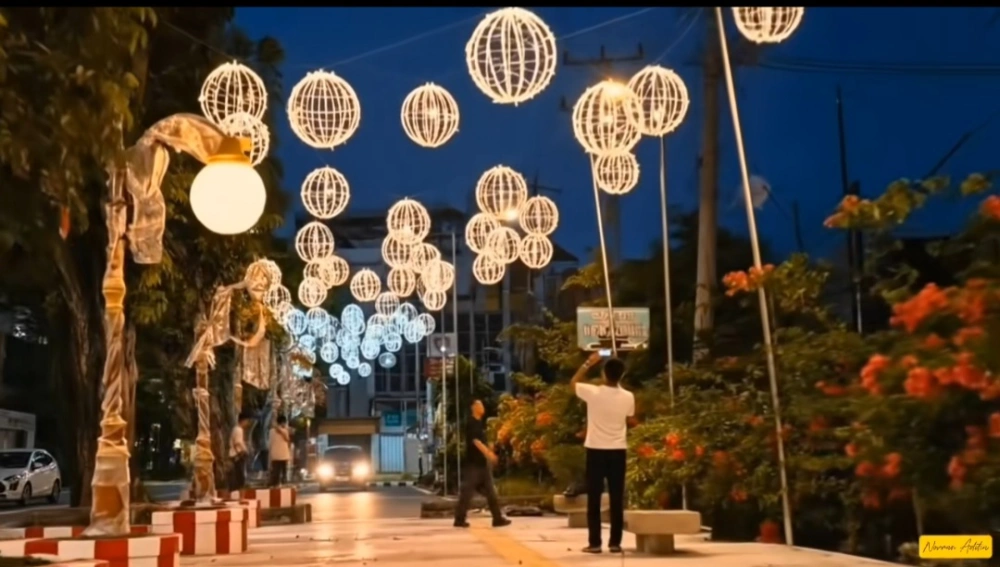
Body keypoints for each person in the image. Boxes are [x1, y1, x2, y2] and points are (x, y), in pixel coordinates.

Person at [572, 352, 635, 554]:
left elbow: (573, 383)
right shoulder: (628, 397)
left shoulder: (594, 392)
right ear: (622, 375)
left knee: (594, 498)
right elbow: (629, 417)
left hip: (596, 450)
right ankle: (615, 543)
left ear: (603, 373)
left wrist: (587, 363)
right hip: (618, 450)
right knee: (617, 497)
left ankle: (595, 543)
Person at [453, 399, 511, 528]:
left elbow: (481, 441)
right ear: (473, 407)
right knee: (467, 493)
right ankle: (459, 519)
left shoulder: (479, 423)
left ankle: (497, 518)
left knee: (491, 492)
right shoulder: (472, 422)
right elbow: (476, 441)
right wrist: (489, 454)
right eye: (479, 405)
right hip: (473, 464)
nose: (482, 407)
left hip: (482, 464)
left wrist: (490, 448)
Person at [229, 413, 252, 491]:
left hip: (235, 454)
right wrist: (245, 450)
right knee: (240, 475)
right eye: (247, 421)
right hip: (238, 455)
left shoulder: (235, 429)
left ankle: (236, 489)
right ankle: (239, 490)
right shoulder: (239, 430)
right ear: (243, 420)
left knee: (238, 474)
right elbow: (238, 442)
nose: (247, 423)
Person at [269, 415, 291, 487]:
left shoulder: (271, 431)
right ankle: (282, 482)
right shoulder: (285, 431)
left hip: (274, 454)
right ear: (283, 422)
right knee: (283, 470)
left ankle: (275, 483)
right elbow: (287, 439)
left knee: (276, 470)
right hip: (283, 455)